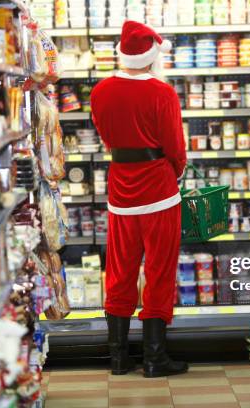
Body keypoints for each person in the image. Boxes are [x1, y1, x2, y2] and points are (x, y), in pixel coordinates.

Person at [90, 20, 188, 378]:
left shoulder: (100, 92)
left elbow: (106, 138)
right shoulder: (162, 93)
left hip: (120, 188)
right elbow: (175, 148)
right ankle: (154, 358)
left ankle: (118, 357)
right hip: (159, 191)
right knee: (159, 271)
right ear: (151, 56)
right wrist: (176, 170)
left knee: (119, 269)